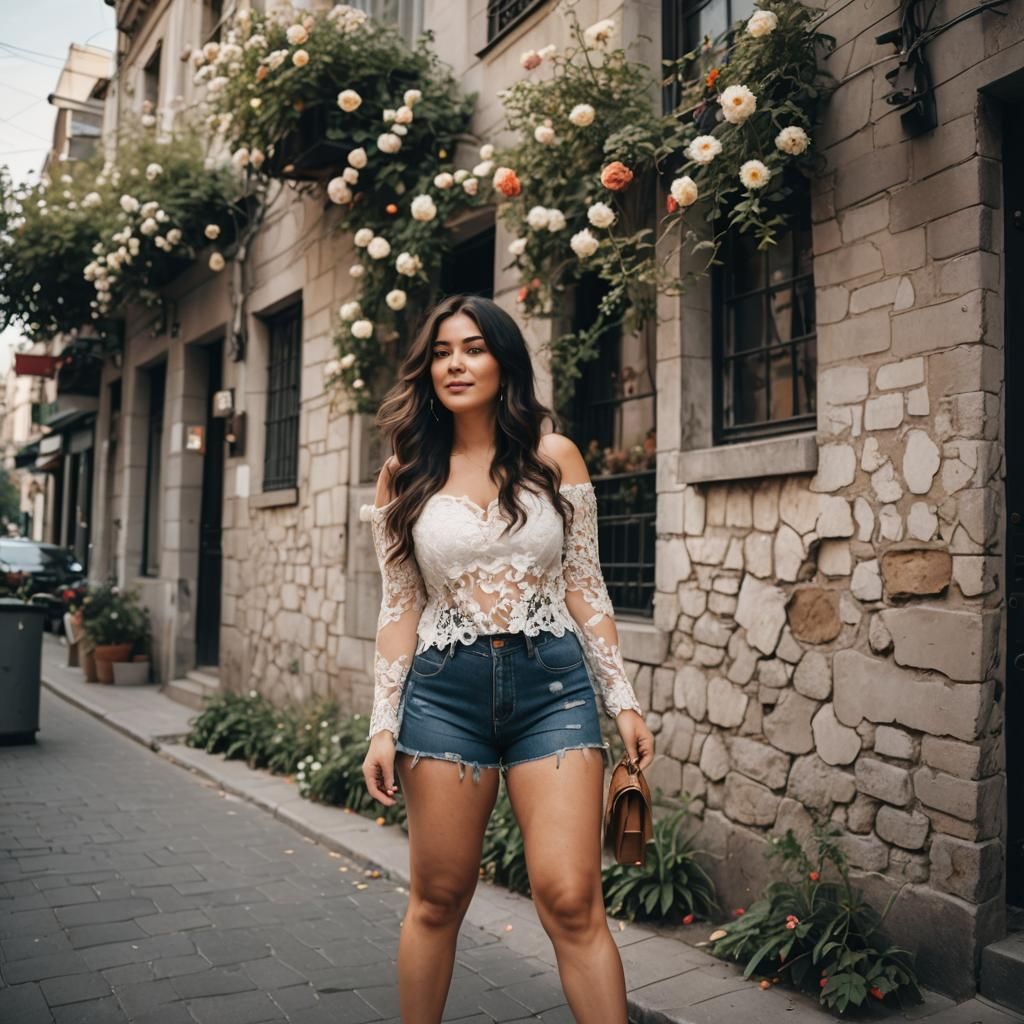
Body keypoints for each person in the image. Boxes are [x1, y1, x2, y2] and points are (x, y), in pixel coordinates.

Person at [361, 293, 655, 1023]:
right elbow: (400, 607)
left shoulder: (554, 458)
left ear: (504, 363)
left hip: (552, 689)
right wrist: (382, 724)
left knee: (571, 898)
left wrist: (621, 699)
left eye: (473, 349)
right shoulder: (405, 473)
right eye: (441, 353)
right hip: (443, 696)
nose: (455, 365)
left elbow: (586, 587)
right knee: (437, 899)